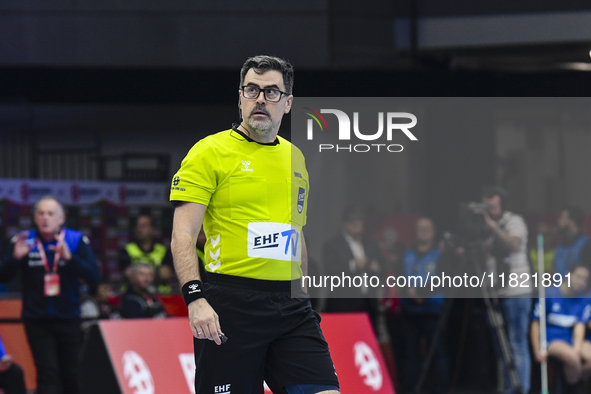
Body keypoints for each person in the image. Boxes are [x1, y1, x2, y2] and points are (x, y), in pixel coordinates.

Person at [170, 55, 339, 394]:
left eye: (272, 92)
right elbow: (182, 234)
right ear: (240, 97)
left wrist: (302, 288)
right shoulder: (209, 152)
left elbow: (296, 230)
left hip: (290, 306)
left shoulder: (295, 157)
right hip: (230, 304)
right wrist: (195, 298)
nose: (260, 99)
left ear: (288, 103)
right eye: (252, 90)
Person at [0, 195, 100, 394]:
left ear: (61, 218)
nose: (46, 218)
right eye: (41, 213)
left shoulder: (75, 240)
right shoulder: (23, 240)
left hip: (69, 318)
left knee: (71, 374)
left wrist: (70, 258)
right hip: (36, 319)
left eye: (51, 214)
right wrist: (15, 258)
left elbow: (94, 276)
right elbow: (3, 277)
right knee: (47, 373)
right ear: (35, 218)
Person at [479, 185, 532, 394]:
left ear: (501, 201)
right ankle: (507, 388)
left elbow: (514, 244)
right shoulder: (486, 227)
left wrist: (492, 226)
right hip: (497, 292)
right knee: (502, 347)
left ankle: (521, 389)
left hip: (517, 291)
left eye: (493, 199)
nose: (489, 203)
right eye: (486, 199)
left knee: (516, 344)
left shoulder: (513, 221)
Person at [398, 217, 449, 394]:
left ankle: (439, 389)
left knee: (436, 352)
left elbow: (444, 279)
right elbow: (398, 277)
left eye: (427, 228)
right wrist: (409, 293)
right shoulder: (407, 253)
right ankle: (411, 389)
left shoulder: (440, 254)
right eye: (420, 228)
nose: (423, 231)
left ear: (434, 232)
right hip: (410, 309)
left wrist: (421, 293)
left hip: (432, 308)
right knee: (410, 353)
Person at [323, 207, 382, 329]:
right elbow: (329, 272)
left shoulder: (371, 244)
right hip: (345, 303)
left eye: (361, 224)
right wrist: (353, 265)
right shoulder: (332, 245)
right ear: (346, 224)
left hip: (368, 302)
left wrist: (376, 267)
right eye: (355, 224)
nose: (359, 228)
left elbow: (383, 266)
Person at [531, 265, 591, 386]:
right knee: (573, 358)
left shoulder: (583, 300)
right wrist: (537, 350)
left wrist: (577, 349)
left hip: (571, 338)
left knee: (582, 356)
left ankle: (577, 383)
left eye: (584, 279)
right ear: (568, 275)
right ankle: (571, 387)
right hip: (552, 339)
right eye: (578, 277)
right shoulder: (549, 294)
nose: (580, 282)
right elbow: (536, 322)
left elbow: (580, 327)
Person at [119, 214, 174, 293]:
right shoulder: (127, 249)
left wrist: (140, 273)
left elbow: (165, 275)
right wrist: (155, 272)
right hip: (133, 295)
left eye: (144, 226)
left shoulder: (162, 250)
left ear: (152, 229)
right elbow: (129, 274)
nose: (140, 229)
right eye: (138, 226)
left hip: (160, 296)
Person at [553, 206, 590, 276]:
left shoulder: (586, 245)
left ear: (572, 222)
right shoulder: (560, 244)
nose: (558, 221)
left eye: (562, 218)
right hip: (558, 286)